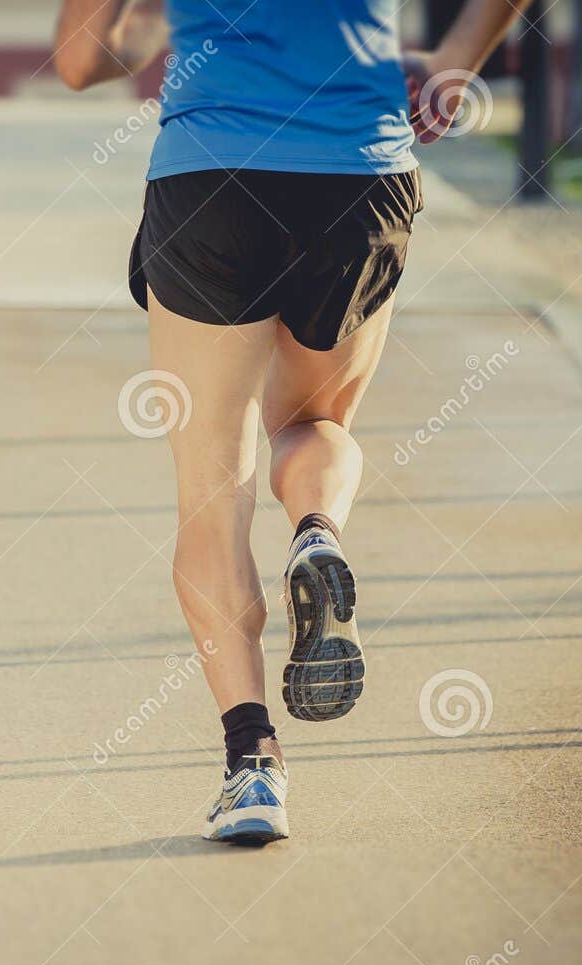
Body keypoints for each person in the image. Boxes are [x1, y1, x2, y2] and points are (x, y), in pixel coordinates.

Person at [54, 0, 533, 844]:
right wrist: (457, 58)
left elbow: (85, 58)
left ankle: (254, 768)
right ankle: (317, 531)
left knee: (212, 486)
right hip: (358, 170)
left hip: (212, 173)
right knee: (315, 421)